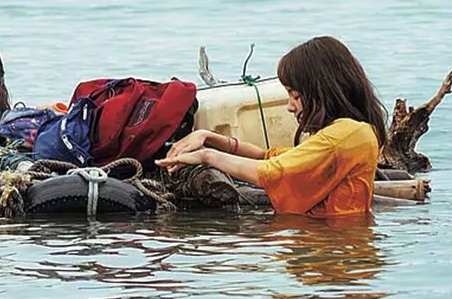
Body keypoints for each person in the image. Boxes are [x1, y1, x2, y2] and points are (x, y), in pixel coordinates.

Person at [156, 36, 387, 217]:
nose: (289, 106)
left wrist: (207, 156)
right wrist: (209, 137)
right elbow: (267, 156)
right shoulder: (350, 132)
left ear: (322, 92)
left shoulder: (346, 135)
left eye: (294, 95)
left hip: (333, 249)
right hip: (332, 243)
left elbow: (269, 172)